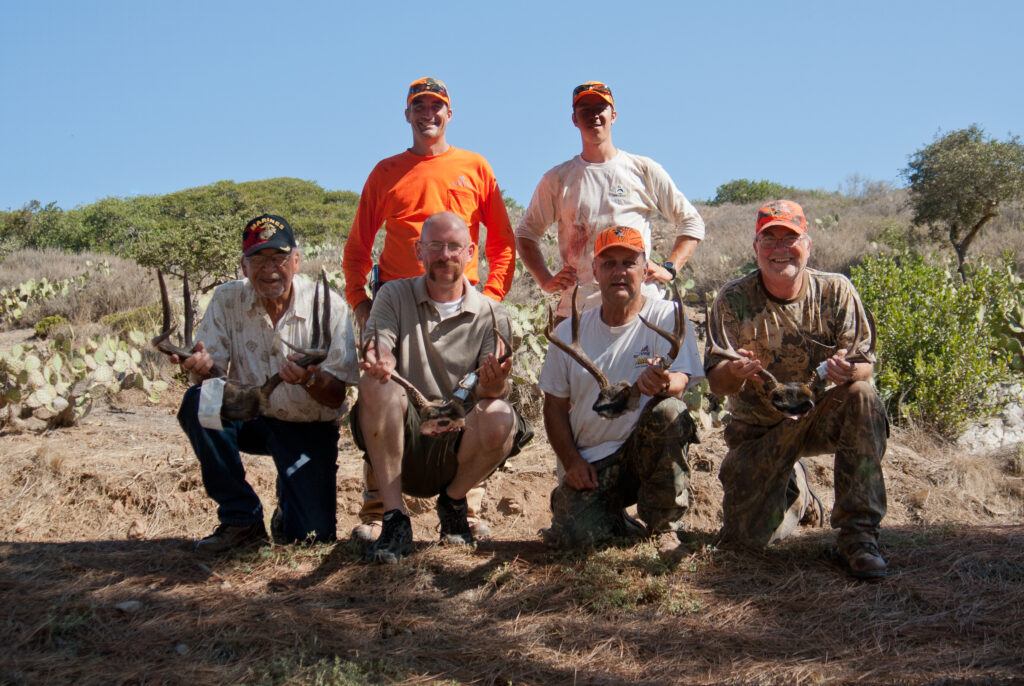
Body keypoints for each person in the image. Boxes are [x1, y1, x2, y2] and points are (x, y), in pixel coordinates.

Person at [342, 77, 516, 541]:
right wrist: (361, 302)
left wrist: (493, 299)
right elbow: (358, 246)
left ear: (449, 113)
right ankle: (382, 510)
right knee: (382, 387)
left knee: (474, 395)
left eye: (436, 106)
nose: (428, 114)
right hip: (397, 305)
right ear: (407, 115)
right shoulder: (386, 171)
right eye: (419, 106)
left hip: (465, 306)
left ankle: (464, 506)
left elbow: (501, 242)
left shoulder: (475, 166)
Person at [704, 199, 889, 579]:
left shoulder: (836, 291)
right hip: (760, 430)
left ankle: (859, 535)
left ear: (809, 244)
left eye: (790, 238)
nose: (779, 249)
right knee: (745, 541)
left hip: (818, 417)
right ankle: (796, 492)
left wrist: (849, 372)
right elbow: (718, 383)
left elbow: (865, 365)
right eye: (768, 239)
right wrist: (736, 372)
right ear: (755, 248)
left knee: (862, 396)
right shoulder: (733, 300)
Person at [176, 214, 360, 554]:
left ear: (296, 261)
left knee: (310, 539)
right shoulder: (227, 299)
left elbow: (335, 398)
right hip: (250, 415)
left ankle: (288, 501)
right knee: (201, 400)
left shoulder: (328, 305)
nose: (269, 268)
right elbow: (213, 373)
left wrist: (308, 379)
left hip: (306, 425)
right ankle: (240, 518)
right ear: (243, 266)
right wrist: (201, 366)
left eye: (278, 257)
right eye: (258, 259)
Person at [355, 212, 531, 563]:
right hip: (405, 434)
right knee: (375, 385)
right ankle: (394, 518)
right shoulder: (393, 295)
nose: (445, 255)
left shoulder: (492, 314)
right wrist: (380, 358)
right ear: (419, 251)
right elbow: (378, 343)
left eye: (454, 247)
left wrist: (494, 385)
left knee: (500, 415)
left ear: (470, 252)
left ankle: (453, 503)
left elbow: (490, 389)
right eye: (435, 246)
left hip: (457, 439)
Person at [537, 226, 703, 547]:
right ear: (595, 272)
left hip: (644, 454)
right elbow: (554, 407)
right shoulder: (569, 330)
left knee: (670, 410)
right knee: (576, 539)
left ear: (645, 268)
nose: (619, 272)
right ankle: (617, 520)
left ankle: (663, 525)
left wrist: (664, 382)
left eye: (629, 262)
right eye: (609, 263)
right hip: (592, 463)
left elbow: (681, 381)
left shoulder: (668, 316)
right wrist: (572, 461)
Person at [516, 81, 705, 319]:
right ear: (574, 119)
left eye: (600, 108)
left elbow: (691, 221)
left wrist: (670, 268)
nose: (594, 115)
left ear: (613, 115)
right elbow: (526, 234)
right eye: (585, 109)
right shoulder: (558, 179)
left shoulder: (642, 169)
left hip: (640, 308)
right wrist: (545, 279)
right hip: (579, 310)